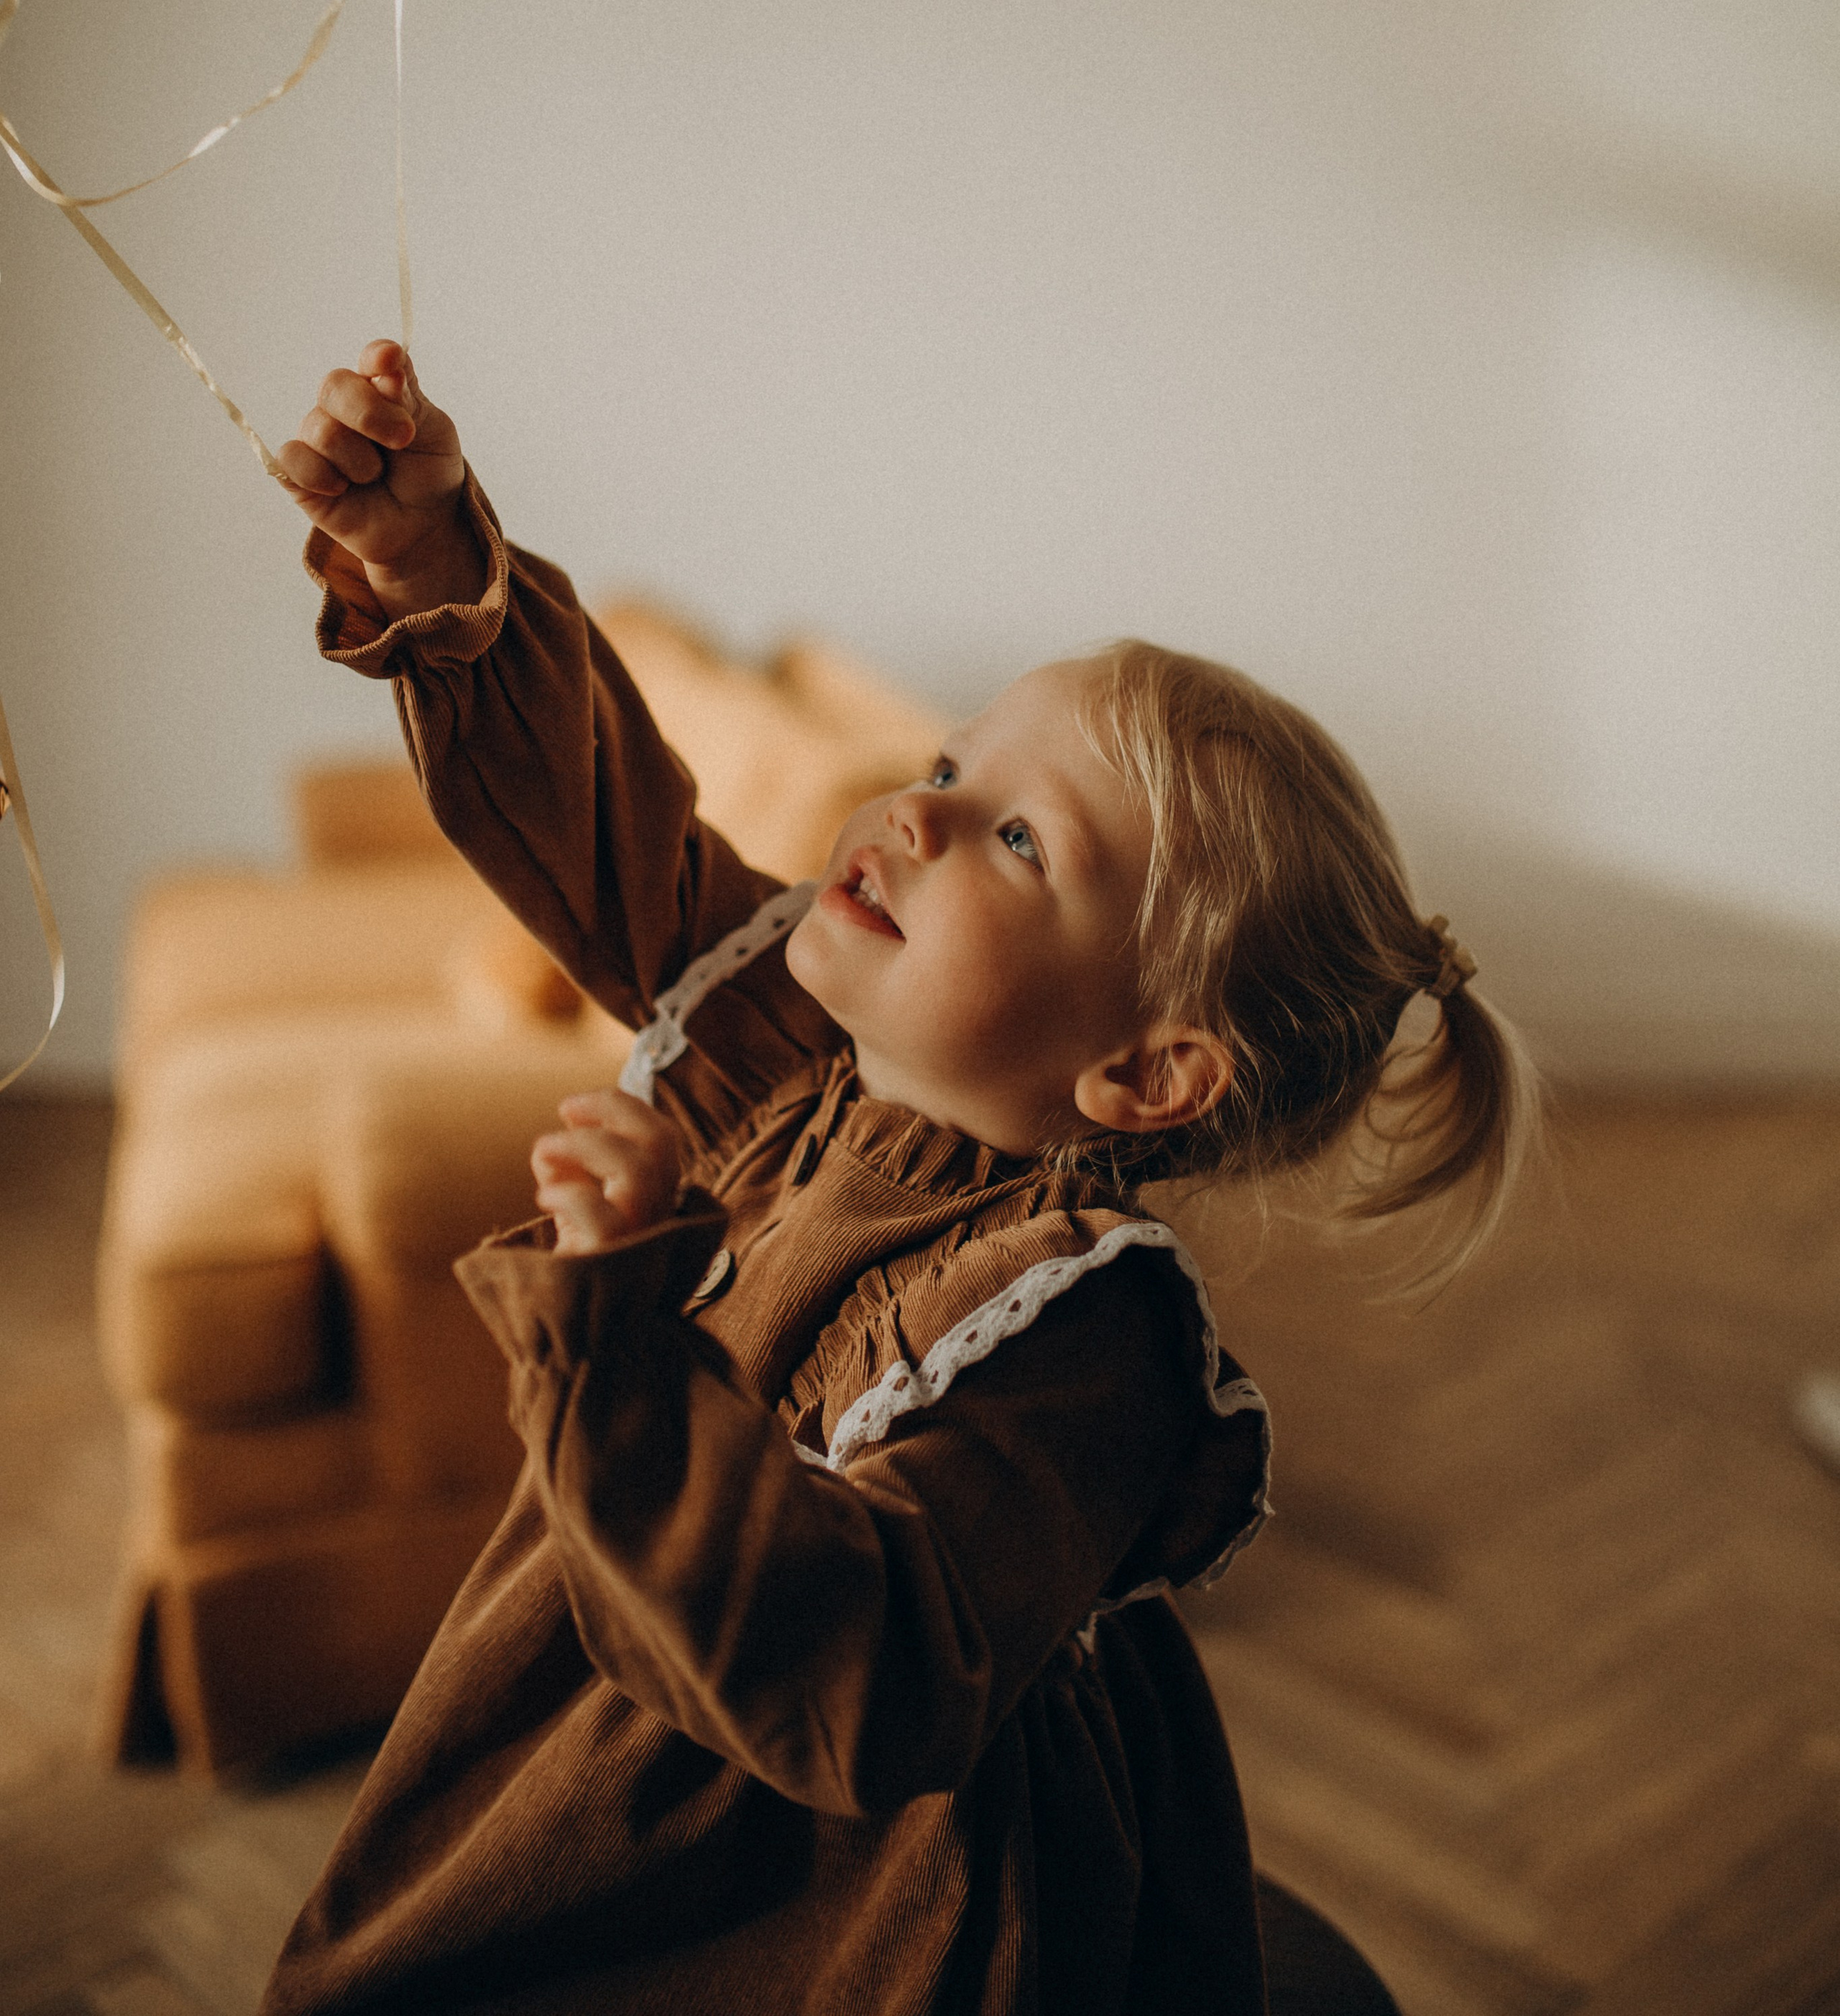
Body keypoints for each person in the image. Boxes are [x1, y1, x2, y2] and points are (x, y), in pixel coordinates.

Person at [260, 339, 1537, 2016]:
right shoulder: (791, 1053)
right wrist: (442, 576)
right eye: (952, 769)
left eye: (1020, 840)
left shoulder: (1084, 1331)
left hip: (821, 1898)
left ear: (1143, 1073)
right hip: (588, 1726)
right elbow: (603, 826)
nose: (916, 819)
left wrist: (625, 1344)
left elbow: (856, 1688)